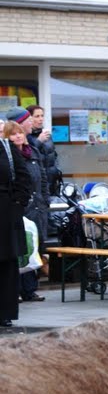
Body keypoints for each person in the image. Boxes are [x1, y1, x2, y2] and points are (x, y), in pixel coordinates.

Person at [4, 120, 46, 303]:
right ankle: (18, 290)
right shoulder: (8, 155)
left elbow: (42, 178)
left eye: (20, 132)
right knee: (19, 249)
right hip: (20, 207)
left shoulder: (33, 152)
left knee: (33, 248)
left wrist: (45, 199)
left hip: (37, 205)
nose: (18, 136)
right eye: (13, 134)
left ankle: (30, 289)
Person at [0, 121, 31, 327]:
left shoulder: (7, 149)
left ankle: (4, 312)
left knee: (6, 263)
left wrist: (17, 205)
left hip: (5, 213)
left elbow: (24, 178)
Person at [25, 105, 61, 195]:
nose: (41, 119)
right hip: (38, 181)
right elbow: (28, 155)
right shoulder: (25, 136)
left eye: (42, 115)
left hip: (52, 179)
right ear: (29, 119)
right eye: (37, 116)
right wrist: (39, 141)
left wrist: (57, 170)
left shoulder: (47, 135)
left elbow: (53, 155)